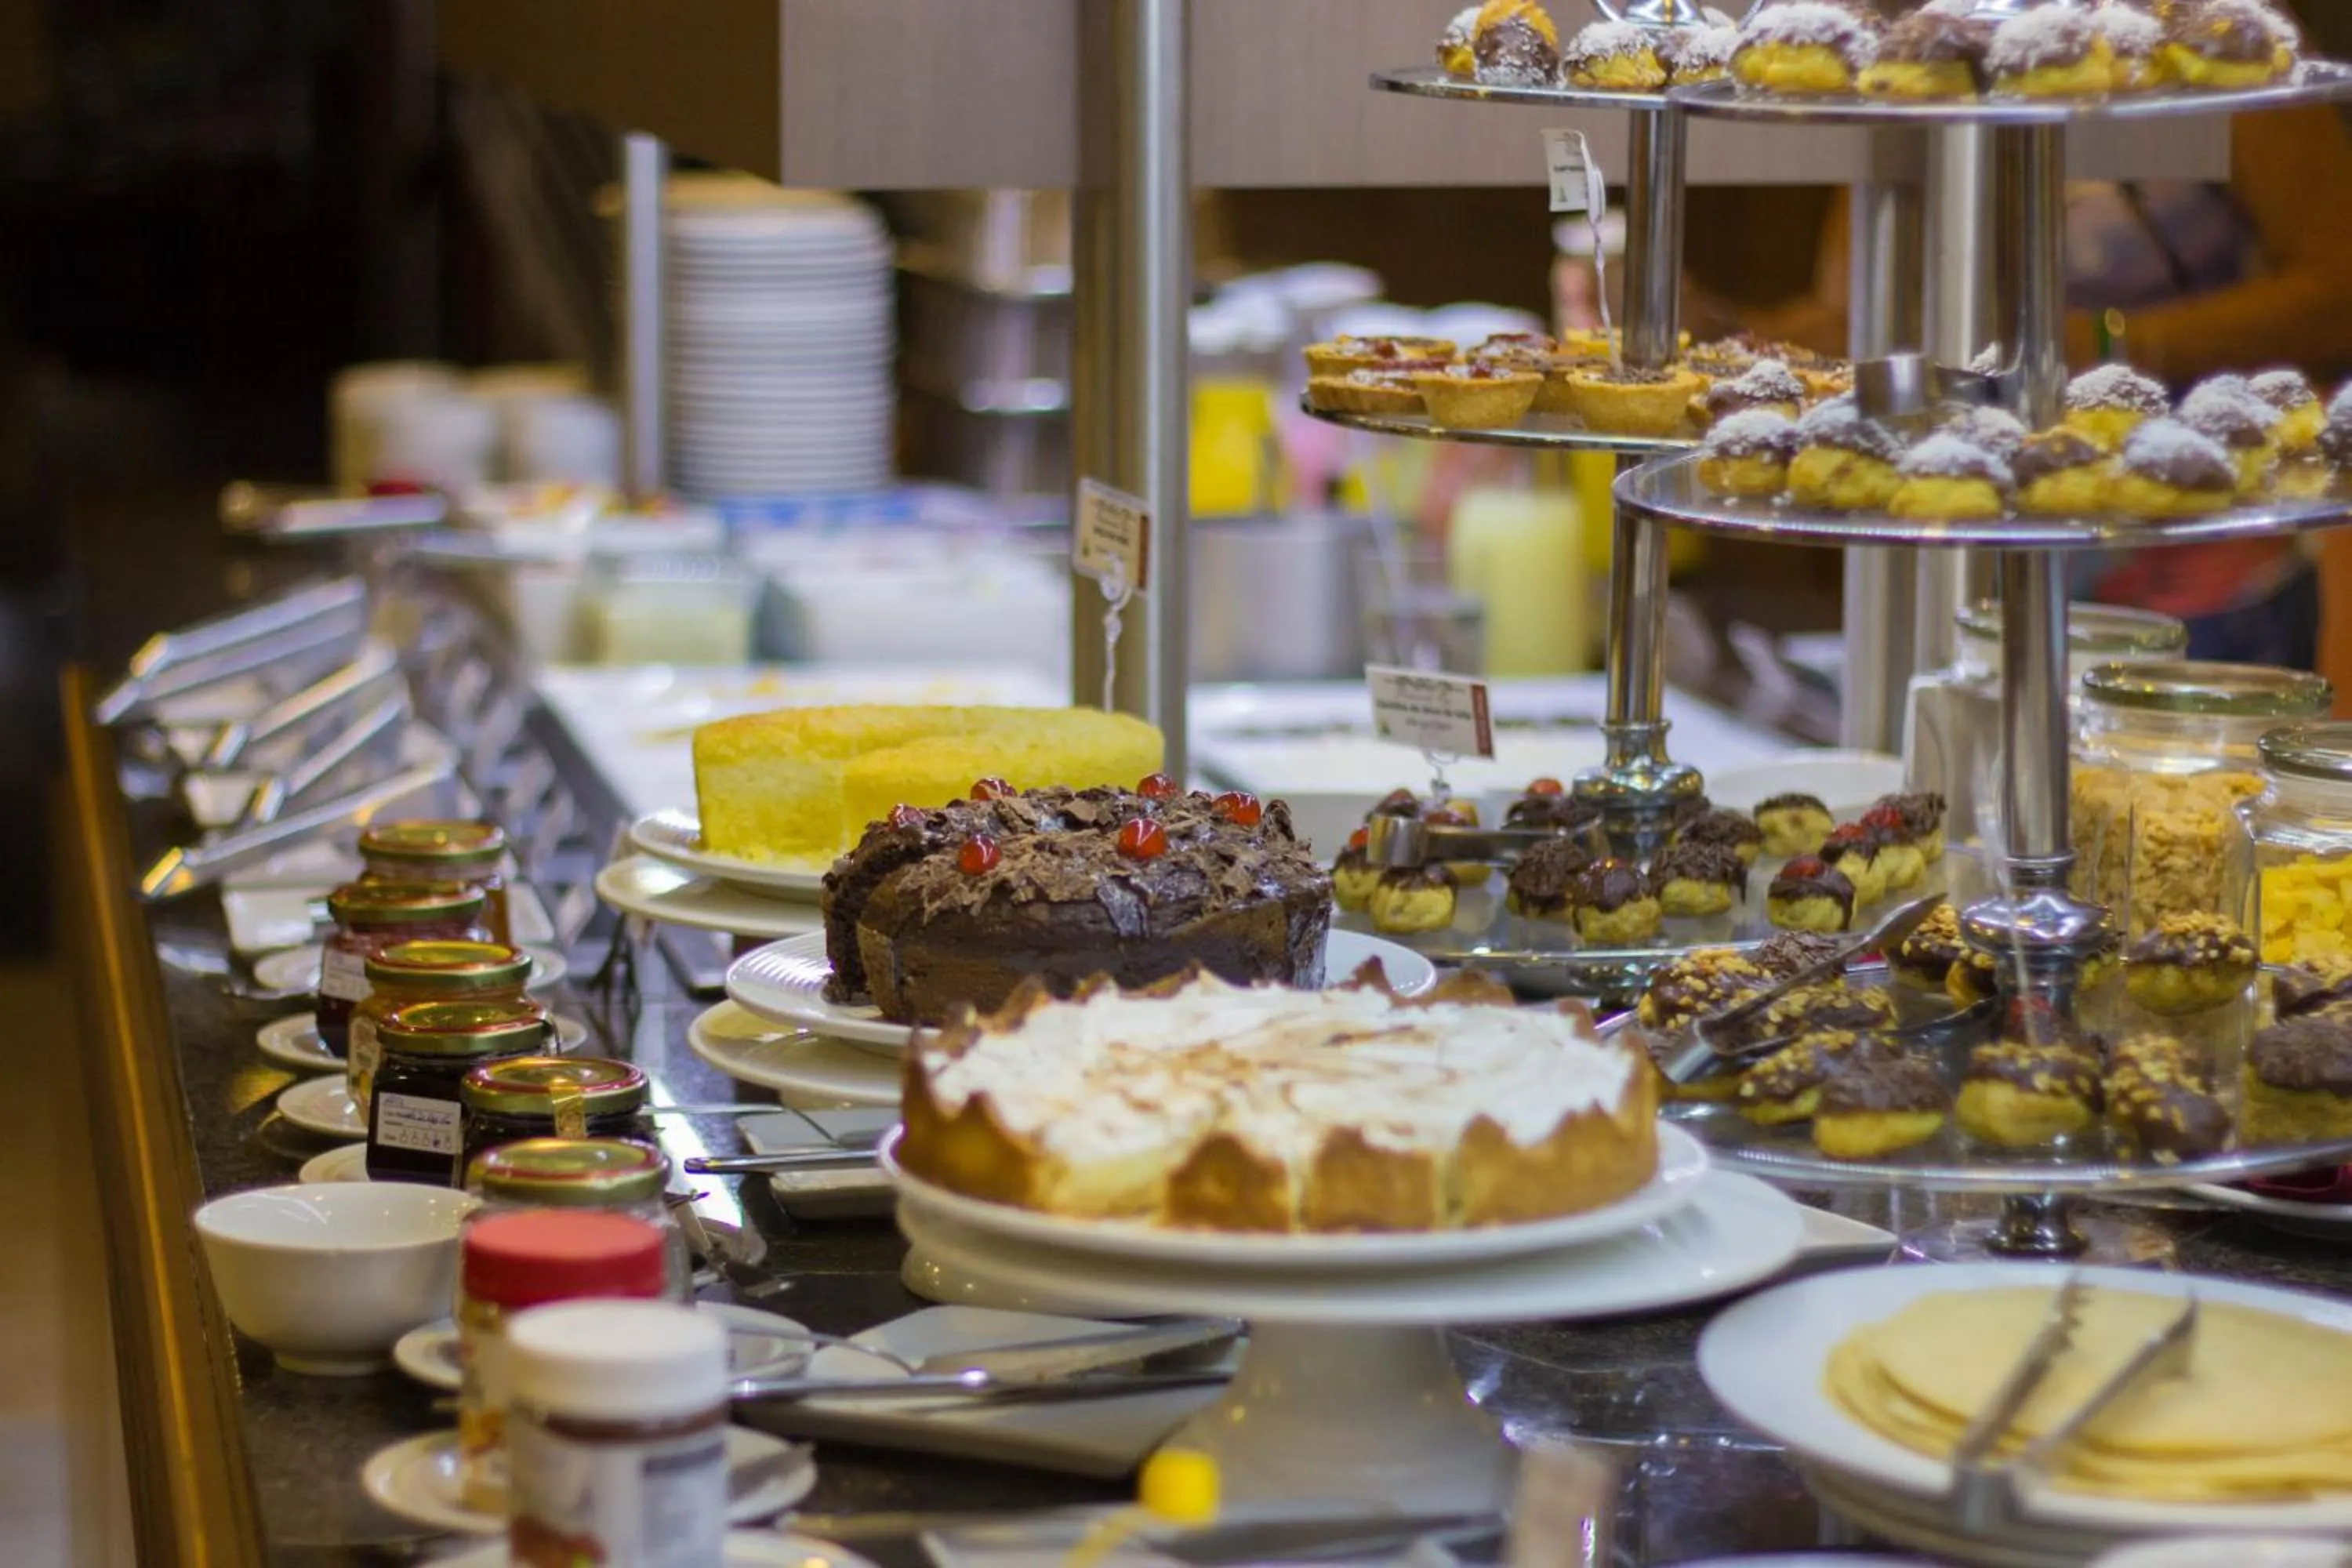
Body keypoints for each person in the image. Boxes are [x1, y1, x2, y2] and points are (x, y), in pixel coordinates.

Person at [1715, 4, 2352, 670]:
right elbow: (1861, 320)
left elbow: (2337, 292)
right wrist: (1731, 336)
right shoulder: (1929, 47)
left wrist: (2106, 343)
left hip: (2193, 545)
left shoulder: (2210, 30)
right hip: (1968, 531)